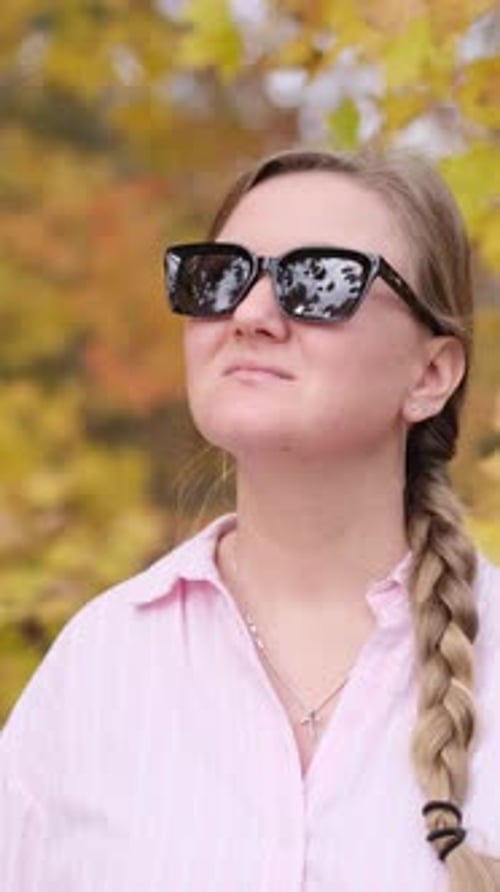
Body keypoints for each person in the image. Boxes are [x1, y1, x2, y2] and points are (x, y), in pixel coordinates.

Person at [1, 147, 500, 892]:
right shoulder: (98, 670)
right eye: (219, 277)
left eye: (319, 281)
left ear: (430, 374)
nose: (250, 314)